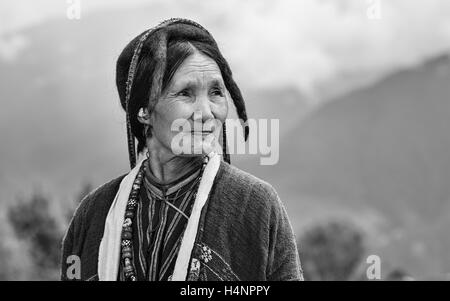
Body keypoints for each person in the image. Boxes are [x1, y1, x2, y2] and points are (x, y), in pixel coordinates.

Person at [61, 18, 303, 281]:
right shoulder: (94, 213)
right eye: (186, 93)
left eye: (216, 93)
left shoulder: (255, 205)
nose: (206, 113)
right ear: (144, 111)